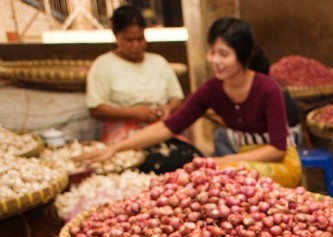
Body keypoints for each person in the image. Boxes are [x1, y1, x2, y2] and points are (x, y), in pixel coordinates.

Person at [79, 17, 301, 188]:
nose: (215, 60)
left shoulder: (267, 88)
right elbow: (168, 127)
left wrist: (225, 160)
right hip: (245, 159)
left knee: (220, 173)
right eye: (212, 52)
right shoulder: (212, 89)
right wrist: (116, 148)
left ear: (242, 56)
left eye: (224, 54)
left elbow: (277, 149)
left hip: (281, 164)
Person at [85, 5, 202, 173]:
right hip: (124, 136)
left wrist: (167, 109)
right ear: (116, 36)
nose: (136, 45)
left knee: (191, 157)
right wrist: (134, 113)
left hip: (159, 128)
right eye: (129, 40)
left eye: (140, 39)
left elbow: (177, 98)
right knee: (149, 163)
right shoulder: (103, 65)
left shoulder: (158, 62)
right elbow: (96, 109)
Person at [213, 45, 302, 155]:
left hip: (281, 141)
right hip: (291, 134)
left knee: (220, 135)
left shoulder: (259, 90)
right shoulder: (270, 83)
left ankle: (238, 167)